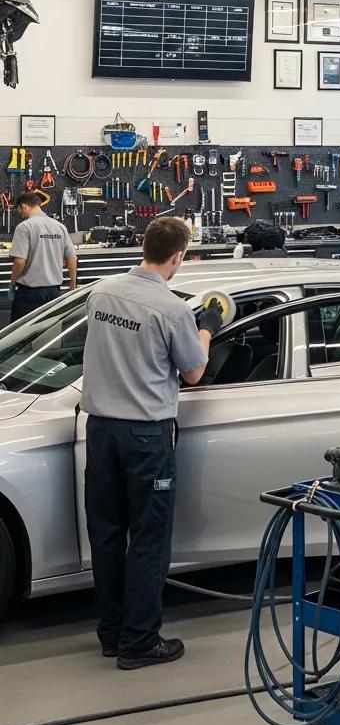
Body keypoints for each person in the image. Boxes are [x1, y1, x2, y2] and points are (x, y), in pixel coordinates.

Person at [81, 217, 225, 669]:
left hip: (100, 431)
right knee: (148, 538)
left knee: (106, 534)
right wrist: (208, 325)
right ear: (178, 256)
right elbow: (194, 371)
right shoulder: (173, 310)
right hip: (145, 436)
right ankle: (140, 642)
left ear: (145, 246)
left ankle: (112, 632)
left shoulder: (101, 292)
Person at [8, 190, 77, 321]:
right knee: (49, 334)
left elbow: (19, 261)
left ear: (24, 206)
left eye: (20, 211)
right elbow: (72, 258)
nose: (21, 214)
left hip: (28, 294)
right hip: (53, 293)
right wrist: (72, 286)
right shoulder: (59, 226)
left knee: (21, 336)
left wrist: (12, 283)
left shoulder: (24, 227)